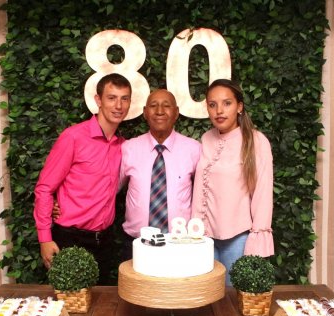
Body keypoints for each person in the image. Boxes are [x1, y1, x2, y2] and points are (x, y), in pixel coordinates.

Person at [34, 73, 132, 284]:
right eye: (112, 98)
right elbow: (45, 188)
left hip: (104, 240)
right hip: (70, 238)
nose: (118, 105)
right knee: (70, 301)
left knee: (101, 301)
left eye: (124, 99)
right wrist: (45, 238)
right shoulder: (73, 137)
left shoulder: (123, 146)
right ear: (98, 100)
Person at [192, 79, 275, 284]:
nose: (219, 110)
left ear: (239, 107)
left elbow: (262, 195)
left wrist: (256, 242)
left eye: (227, 103)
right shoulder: (206, 139)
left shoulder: (256, 141)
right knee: (205, 297)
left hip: (237, 239)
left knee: (232, 298)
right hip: (203, 238)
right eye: (212, 105)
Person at [119, 89, 200, 259]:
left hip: (180, 243)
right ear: (145, 112)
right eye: (153, 105)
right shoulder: (128, 149)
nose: (160, 111)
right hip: (136, 242)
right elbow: (110, 189)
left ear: (176, 113)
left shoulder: (194, 149)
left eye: (166, 106)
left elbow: (204, 194)